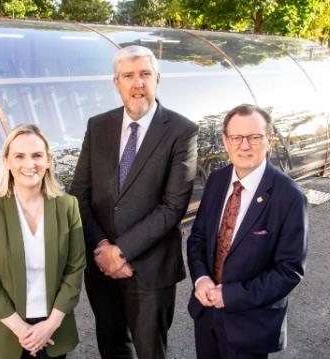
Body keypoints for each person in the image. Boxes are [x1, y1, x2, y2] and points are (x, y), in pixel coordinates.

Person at [69, 45, 199, 359]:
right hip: (100, 267)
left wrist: (122, 252)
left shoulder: (182, 131)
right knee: (112, 348)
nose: (137, 83)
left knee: (150, 352)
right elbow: (79, 194)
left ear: (157, 79)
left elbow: (172, 207)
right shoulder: (98, 126)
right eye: (128, 75)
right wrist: (102, 246)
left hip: (150, 270)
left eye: (144, 74)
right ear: (117, 83)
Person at [186, 104, 308, 359]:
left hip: (250, 327)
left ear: (269, 140)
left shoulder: (289, 197)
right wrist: (201, 279)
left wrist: (230, 296)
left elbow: (289, 271)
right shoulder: (217, 180)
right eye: (236, 137)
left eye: (254, 137)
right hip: (206, 315)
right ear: (225, 141)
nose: (245, 146)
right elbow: (198, 238)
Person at [0, 124, 86, 359]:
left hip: (53, 331)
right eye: (19, 156)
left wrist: (50, 325)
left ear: (49, 160)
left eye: (37, 155)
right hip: (5, 331)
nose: (29, 164)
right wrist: (21, 329)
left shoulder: (67, 206)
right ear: (7, 161)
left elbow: (75, 269)